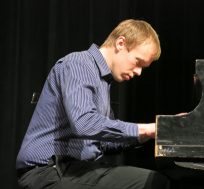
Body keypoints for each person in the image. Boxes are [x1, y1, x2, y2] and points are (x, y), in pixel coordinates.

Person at [16, 19, 170, 189]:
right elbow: (84, 124)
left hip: (76, 170)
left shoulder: (103, 82)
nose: (139, 72)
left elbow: (104, 143)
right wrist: (147, 128)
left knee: (154, 181)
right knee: (153, 184)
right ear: (120, 43)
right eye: (138, 62)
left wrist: (153, 132)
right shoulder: (79, 63)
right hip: (48, 171)